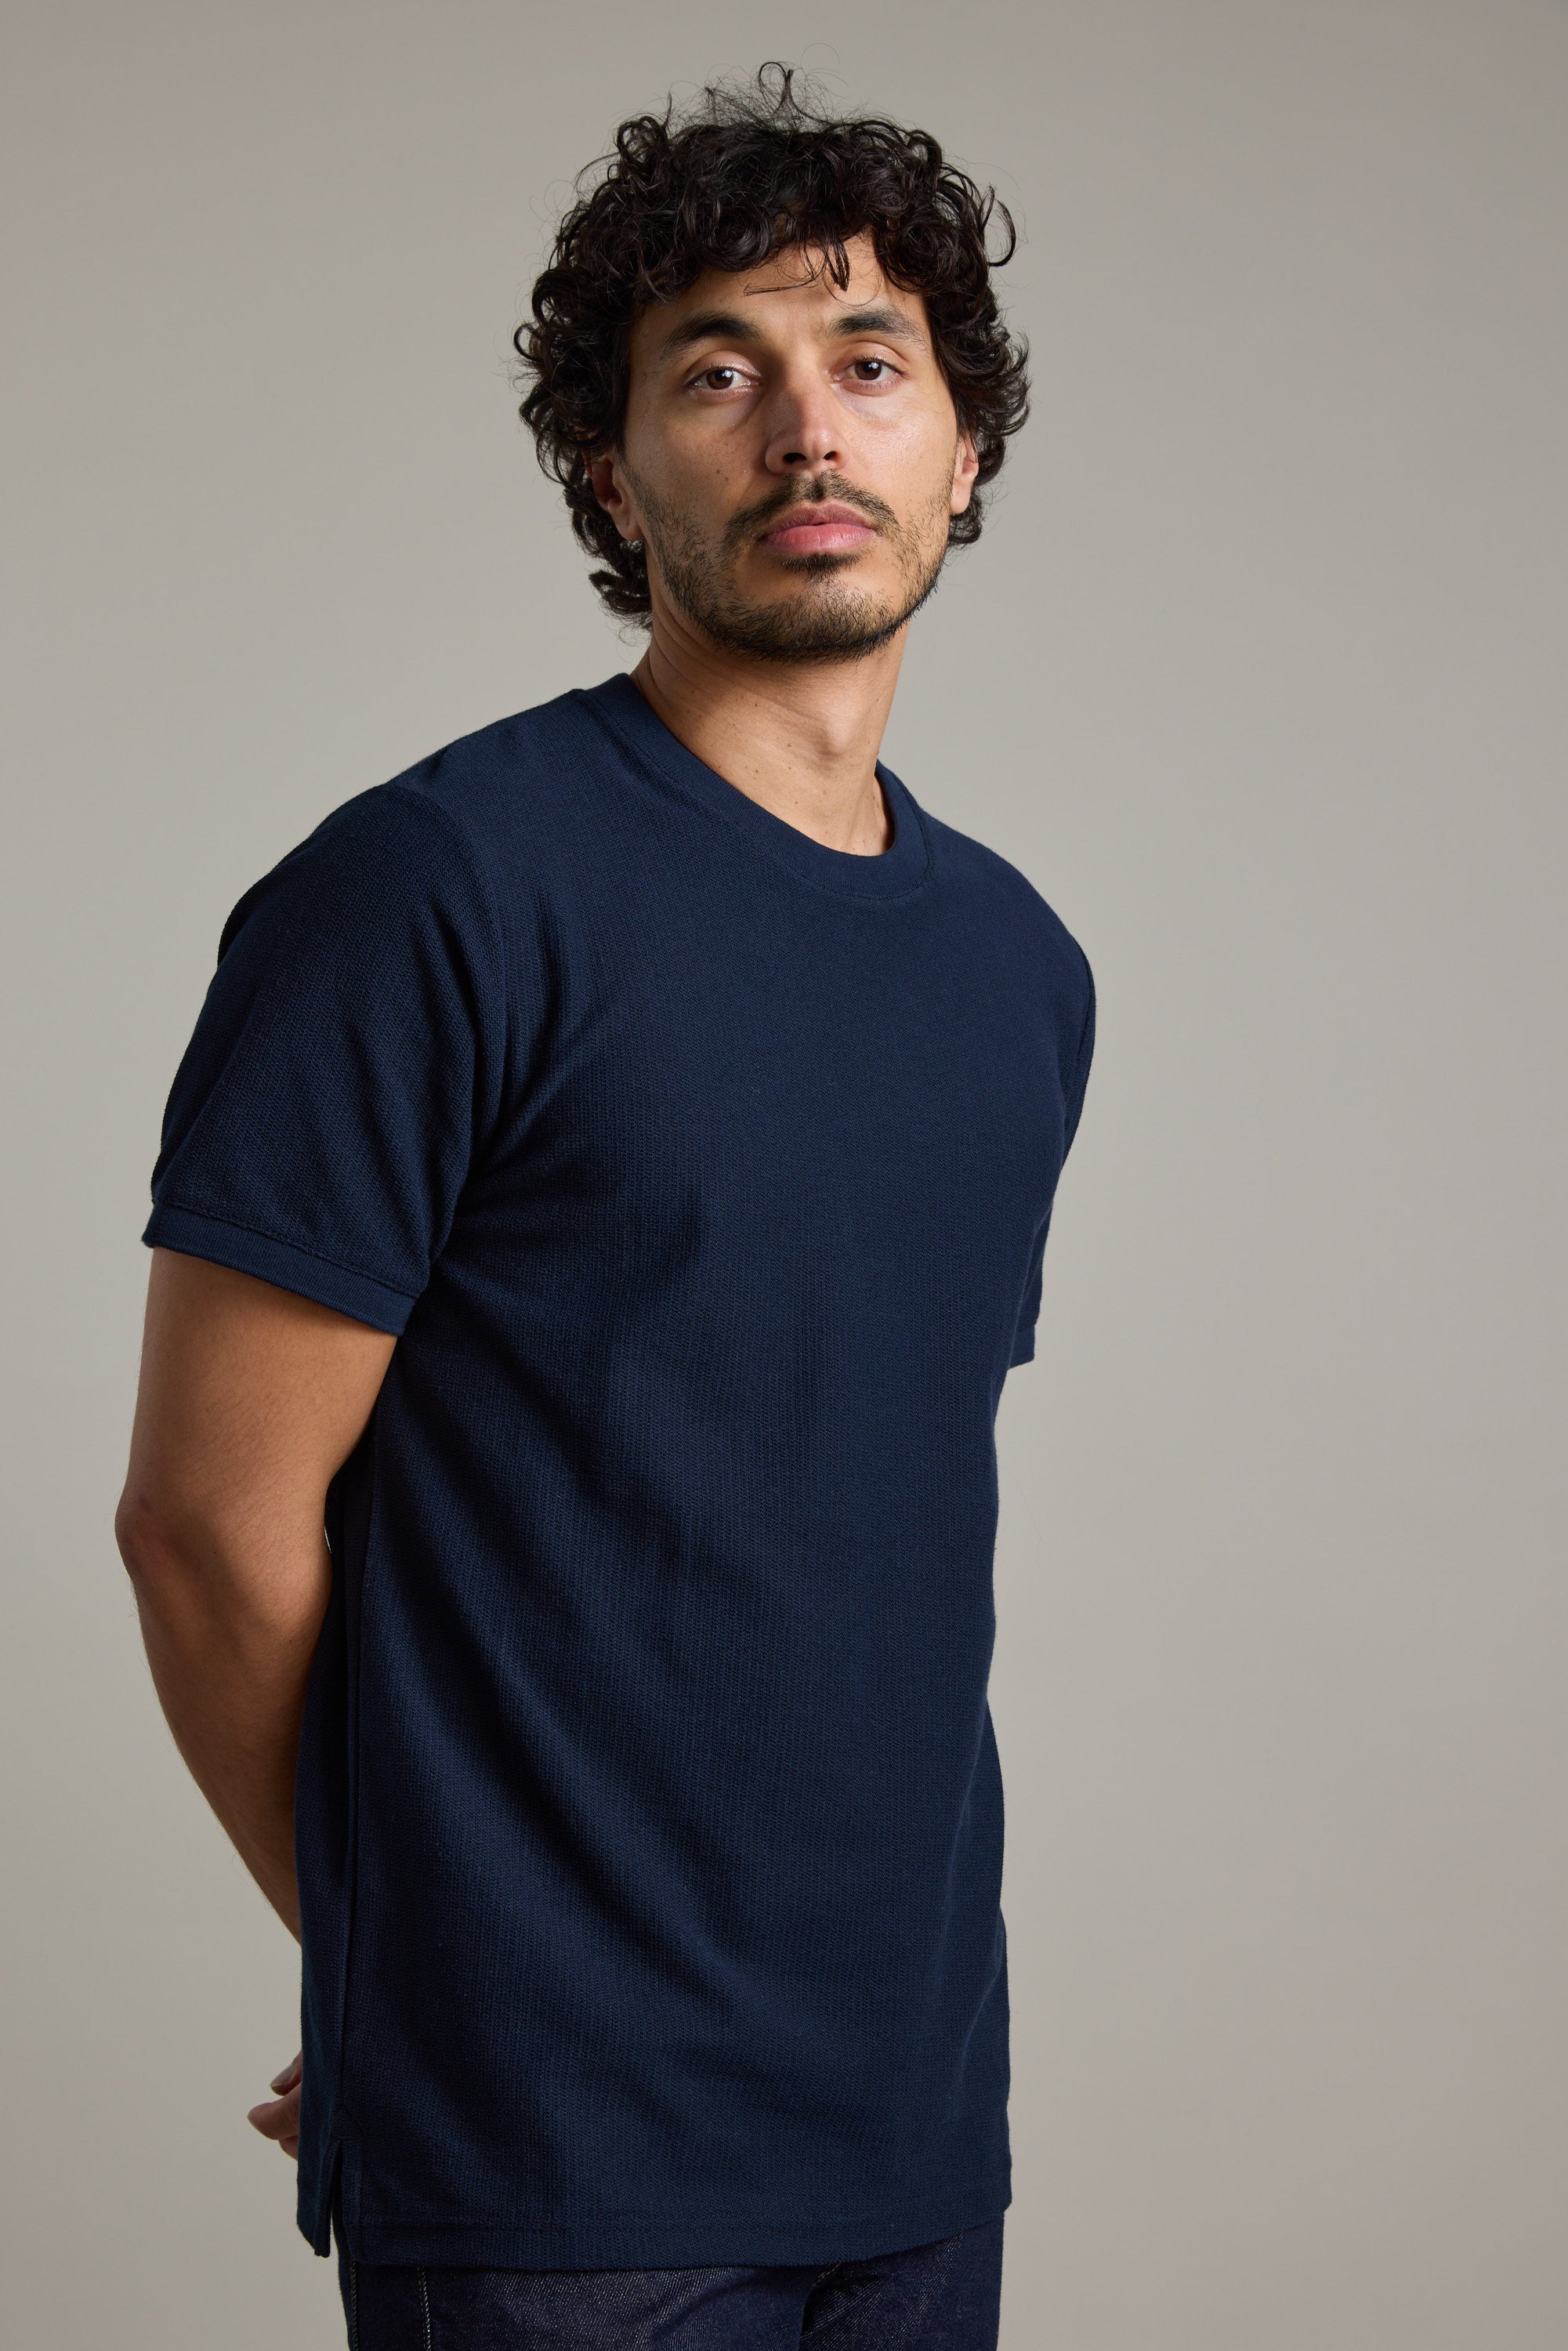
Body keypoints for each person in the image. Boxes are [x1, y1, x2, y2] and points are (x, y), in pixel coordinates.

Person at [116, 63, 1095, 2351]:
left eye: (869, 367)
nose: (803, 432)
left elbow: (812, 1497)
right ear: (610, 466)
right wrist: (403, 1961)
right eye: (715, 374)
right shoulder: (434, 896)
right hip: (563, 2156)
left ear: (960, 449)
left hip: (916, 2113)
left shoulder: (1014, 967)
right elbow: (206, 1524)